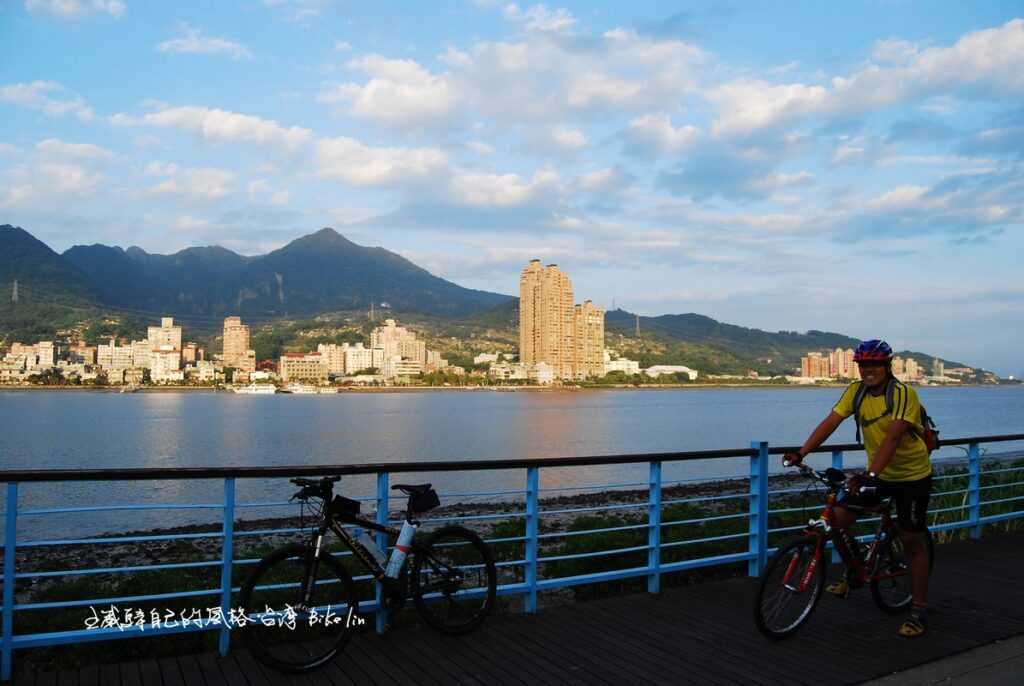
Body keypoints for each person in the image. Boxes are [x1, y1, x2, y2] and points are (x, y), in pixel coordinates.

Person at [784, 339, 932, 638]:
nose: (869, 370)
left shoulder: (903, 394)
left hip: (911, 476)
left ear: (887, 366)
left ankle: (918, 610)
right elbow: (831, 422)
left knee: (911, 541)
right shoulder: (857, 391)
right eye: (864, 365)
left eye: (875, 364)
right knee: (835, 521)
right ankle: (855, 571)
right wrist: (802, 452)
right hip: (878, 473)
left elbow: (892, 438)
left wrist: (870, 474)